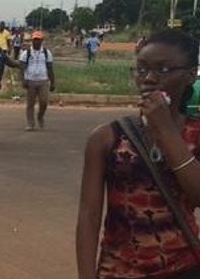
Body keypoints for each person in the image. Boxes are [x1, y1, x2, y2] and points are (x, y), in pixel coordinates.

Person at [76, 29, 200, 279]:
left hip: (184, 267)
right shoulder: (106, 139)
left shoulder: (196, 133)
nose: (149, 78)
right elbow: (89, 215)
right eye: (141, 69)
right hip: (119, 269)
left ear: (189, 75)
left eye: (162, 70)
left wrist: (165, 130)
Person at [18, 31, 55, 131]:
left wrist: (53, 82)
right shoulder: (26, 53)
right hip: (30, 80)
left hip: (43, 80)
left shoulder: (47, 53)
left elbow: (50, 68)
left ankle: (40, 116)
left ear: (41, 41)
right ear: (32, 41)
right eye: (35, 40)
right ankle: (30, 123)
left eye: (38, 40)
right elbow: (21, 68)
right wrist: (23, 80)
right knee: (30, 104)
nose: (36, 42)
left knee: (44, 102)